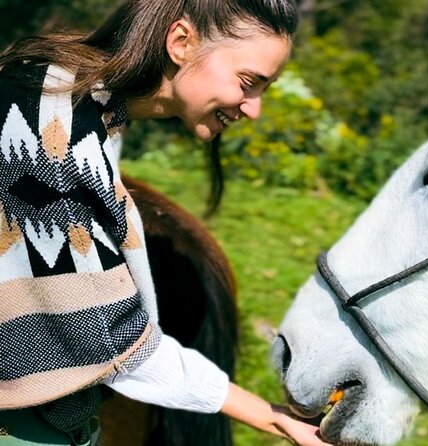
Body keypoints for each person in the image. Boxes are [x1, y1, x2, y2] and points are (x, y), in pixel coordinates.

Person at [0, 1, 330, 445]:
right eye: (248, 83)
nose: (254, 109)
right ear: (180, 42)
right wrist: (274, 418)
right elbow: (102, 333)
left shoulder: (75, 100)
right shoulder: (52, 129)